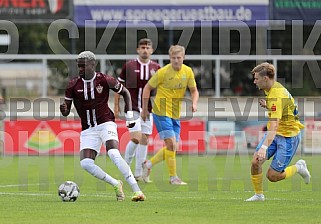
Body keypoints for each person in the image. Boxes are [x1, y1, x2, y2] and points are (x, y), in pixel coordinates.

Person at [60, 51, 145, 201]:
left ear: (93, 65)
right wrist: (64, 110)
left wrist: (130, 116)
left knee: (113, 154)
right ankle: (115, 183)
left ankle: (137, 191)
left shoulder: (105, 80)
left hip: (106, 123)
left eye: (83, 66)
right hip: (88, 129)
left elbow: (125, 92)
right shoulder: (73, 84)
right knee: (86, 163)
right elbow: (66, 110)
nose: (79, 69)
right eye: (78, 66)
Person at [245, 62, 310, 202]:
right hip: (275, 134)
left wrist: (263, 148)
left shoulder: (277, 95)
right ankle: (259, 195)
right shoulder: (272, 89)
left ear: (265, 79)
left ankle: (299, 167)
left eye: (256, 78)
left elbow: (274, 125)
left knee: (272, 176)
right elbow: (280, 109)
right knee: (256, 162)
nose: (254, 81)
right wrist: (268, 105)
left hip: (288, 137)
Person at [141, 45, 199, 185]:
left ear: (183, 58)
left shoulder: (188, 71)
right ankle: (173, 178)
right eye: (173, 58)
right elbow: (147, 88)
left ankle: (148, 164)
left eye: (179, 58)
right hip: (161, 112)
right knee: (172, 144)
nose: (176, 61)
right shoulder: (163, 72)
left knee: (173, 147)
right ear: (170, 58)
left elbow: (194, 91)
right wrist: (144, 109)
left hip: (175, 114)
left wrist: (194, 103)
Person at [114, 38, 160, 182]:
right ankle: (125, 168)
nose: (145, 50)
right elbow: (118, 87)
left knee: (145, 139)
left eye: (148, 47)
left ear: (152, 50)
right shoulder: (129, 66)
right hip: (131, 108)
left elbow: (159, 90)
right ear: (138, 50)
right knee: (136, 137)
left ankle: (138, 173)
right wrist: (116, 105)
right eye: (142, 47)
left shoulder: (156, 68)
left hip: (149, 110)